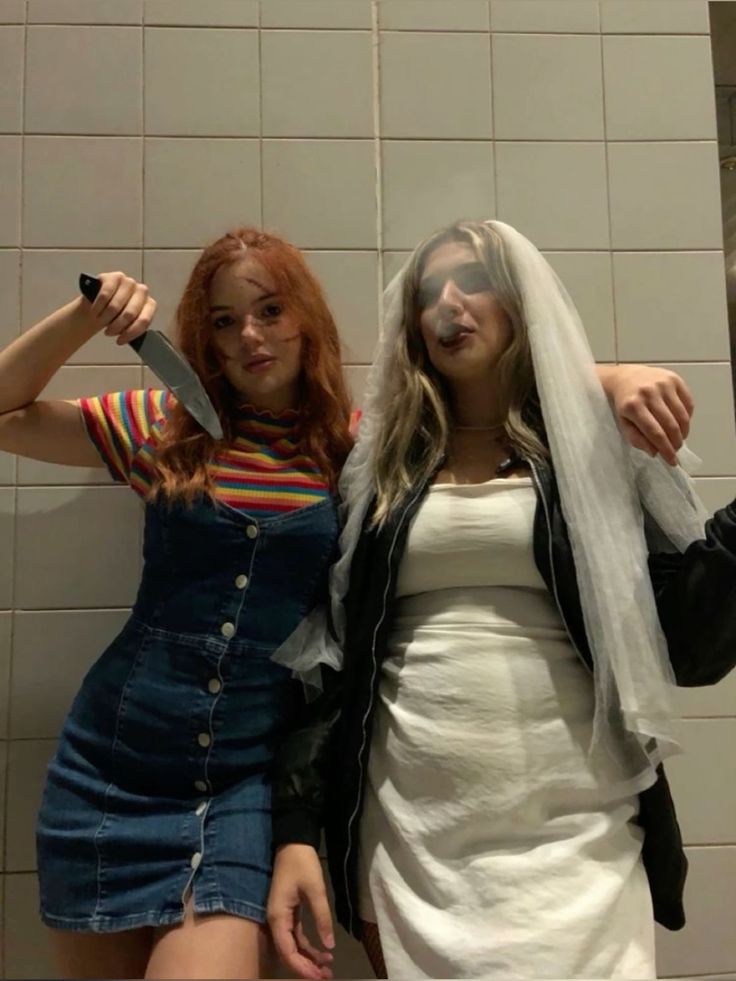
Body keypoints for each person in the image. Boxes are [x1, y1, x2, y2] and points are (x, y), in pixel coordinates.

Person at [266, 220, 736, 980]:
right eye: (429, 292)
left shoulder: (591, 446)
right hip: (415, 843)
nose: (450, 303)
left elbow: (692, 645)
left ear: (522, 304)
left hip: (580, 840)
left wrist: (596, 383)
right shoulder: (380, 461)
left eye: (475, 280)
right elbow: (331, 654)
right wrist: (294, 826)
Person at [0, 227, 354, 980]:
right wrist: (86, 316)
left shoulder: (349, 448)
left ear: (306, 319)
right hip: (104, 773)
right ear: (205, 338)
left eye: (269, 309)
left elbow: (474, 411)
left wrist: (609, 383)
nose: (249, 336)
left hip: (237, 787)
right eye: (224, 321)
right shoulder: (163, 425)